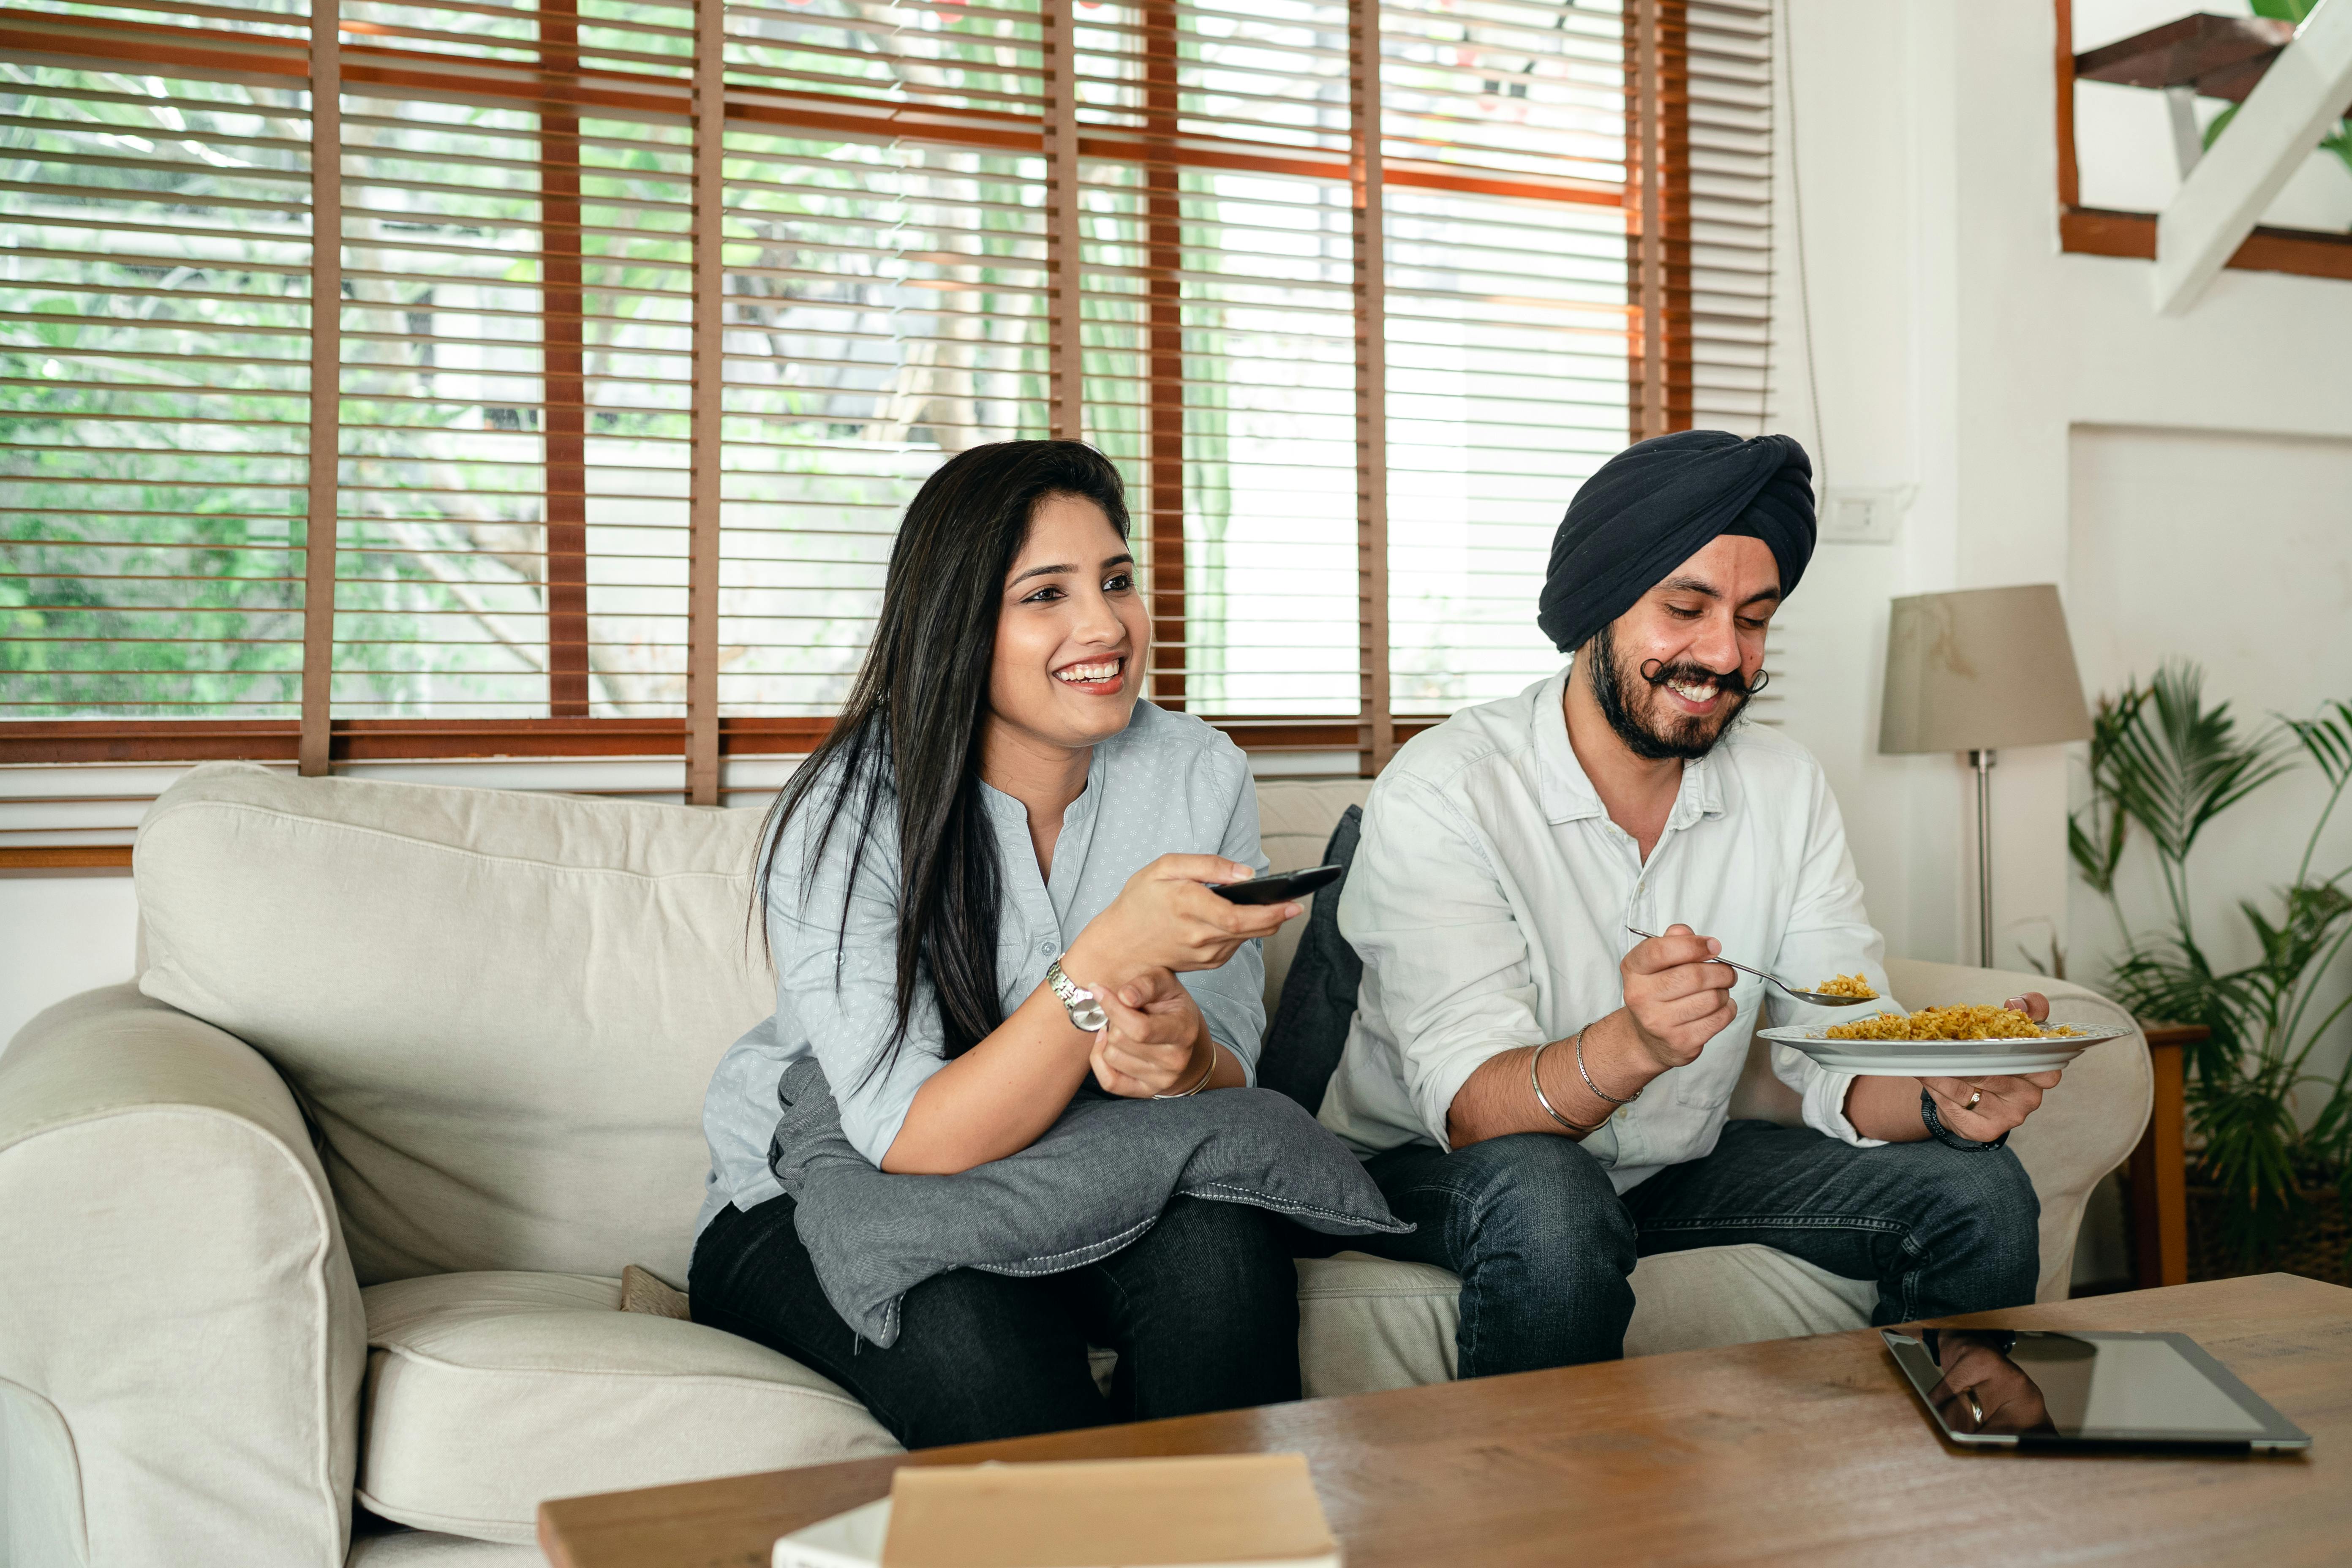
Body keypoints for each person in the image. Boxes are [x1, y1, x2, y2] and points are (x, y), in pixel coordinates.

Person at [1317, 429, 2059, 1376]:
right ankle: (1549, 1519)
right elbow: (1471, 1106)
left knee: (1977, 1186)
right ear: (1599, 604)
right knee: (1550, 1198)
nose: (1723, 652)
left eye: (1754, 618)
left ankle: (1933, 1503)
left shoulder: (1785, 787)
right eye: (1685, 607)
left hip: (1672, 1166)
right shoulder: (1448, 789)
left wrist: (1943, 1089)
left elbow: (1838, 1029)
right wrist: (1635, 1044)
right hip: (1440, 1166)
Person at [691, 440, 1311, 1447]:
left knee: (1227, 1260)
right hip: (826, 1190)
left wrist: (1182, 1055)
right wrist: (1106, 959)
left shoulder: (1199, 773)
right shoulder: (849, 811)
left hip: (1082, 1160)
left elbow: (1230, 1056)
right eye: (1046, 595)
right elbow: (910, 1137)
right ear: (959, 625)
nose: (1105, 624)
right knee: (978, 1341)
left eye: (1116, 580)